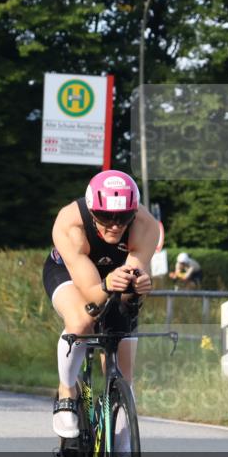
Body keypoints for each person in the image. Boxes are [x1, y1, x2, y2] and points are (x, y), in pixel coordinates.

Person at [42, 170, 160, 440]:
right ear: (93, 211)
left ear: (134, 212)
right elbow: (92, 295)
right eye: (107, 217)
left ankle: (119, 455)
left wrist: (138, 288)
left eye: (123, 218)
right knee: (82, 321)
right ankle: (67, 391)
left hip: (115, 276)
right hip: (70, 273)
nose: (115, 225)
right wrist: (107, 286)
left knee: (124, 374)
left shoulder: (146, 226)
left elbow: (130, 293)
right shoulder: (71, 224)